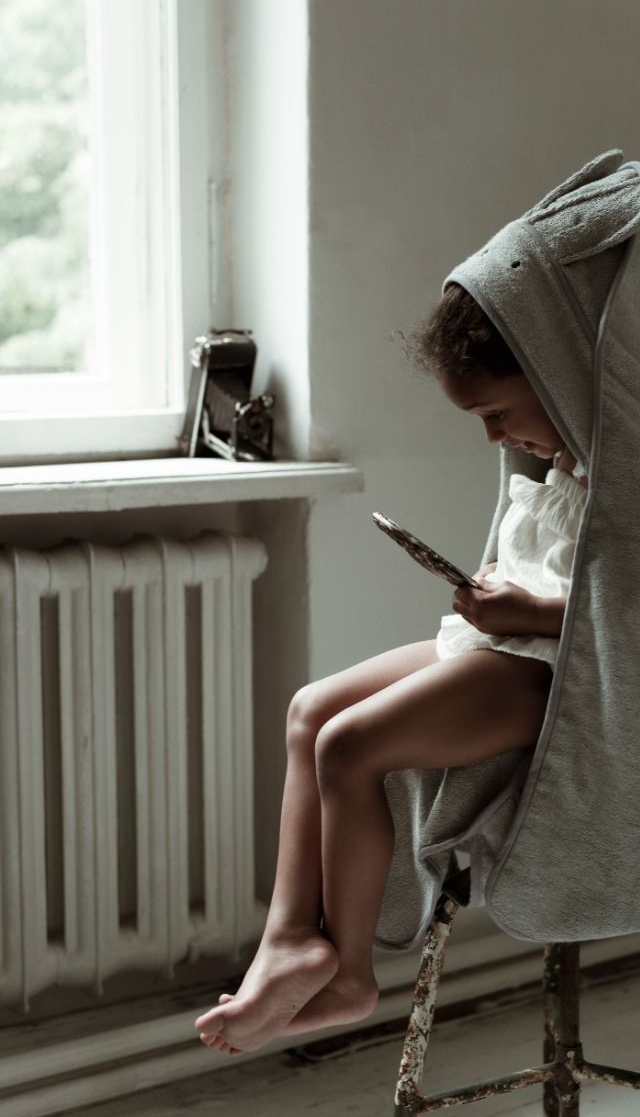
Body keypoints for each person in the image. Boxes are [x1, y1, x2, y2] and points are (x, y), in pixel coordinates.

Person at [194, 282, 587, 1056]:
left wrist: (531, 612)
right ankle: (286, 939)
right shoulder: (560, 462)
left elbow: (635, 617)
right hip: (504, 650)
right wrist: (496, 595)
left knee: (350, 746)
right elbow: (549, 569)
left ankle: (349, 974)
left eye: (496, 413)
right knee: (311, 710)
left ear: (553, 373)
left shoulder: (629, 474)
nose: (492, 436)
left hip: (554, 676)